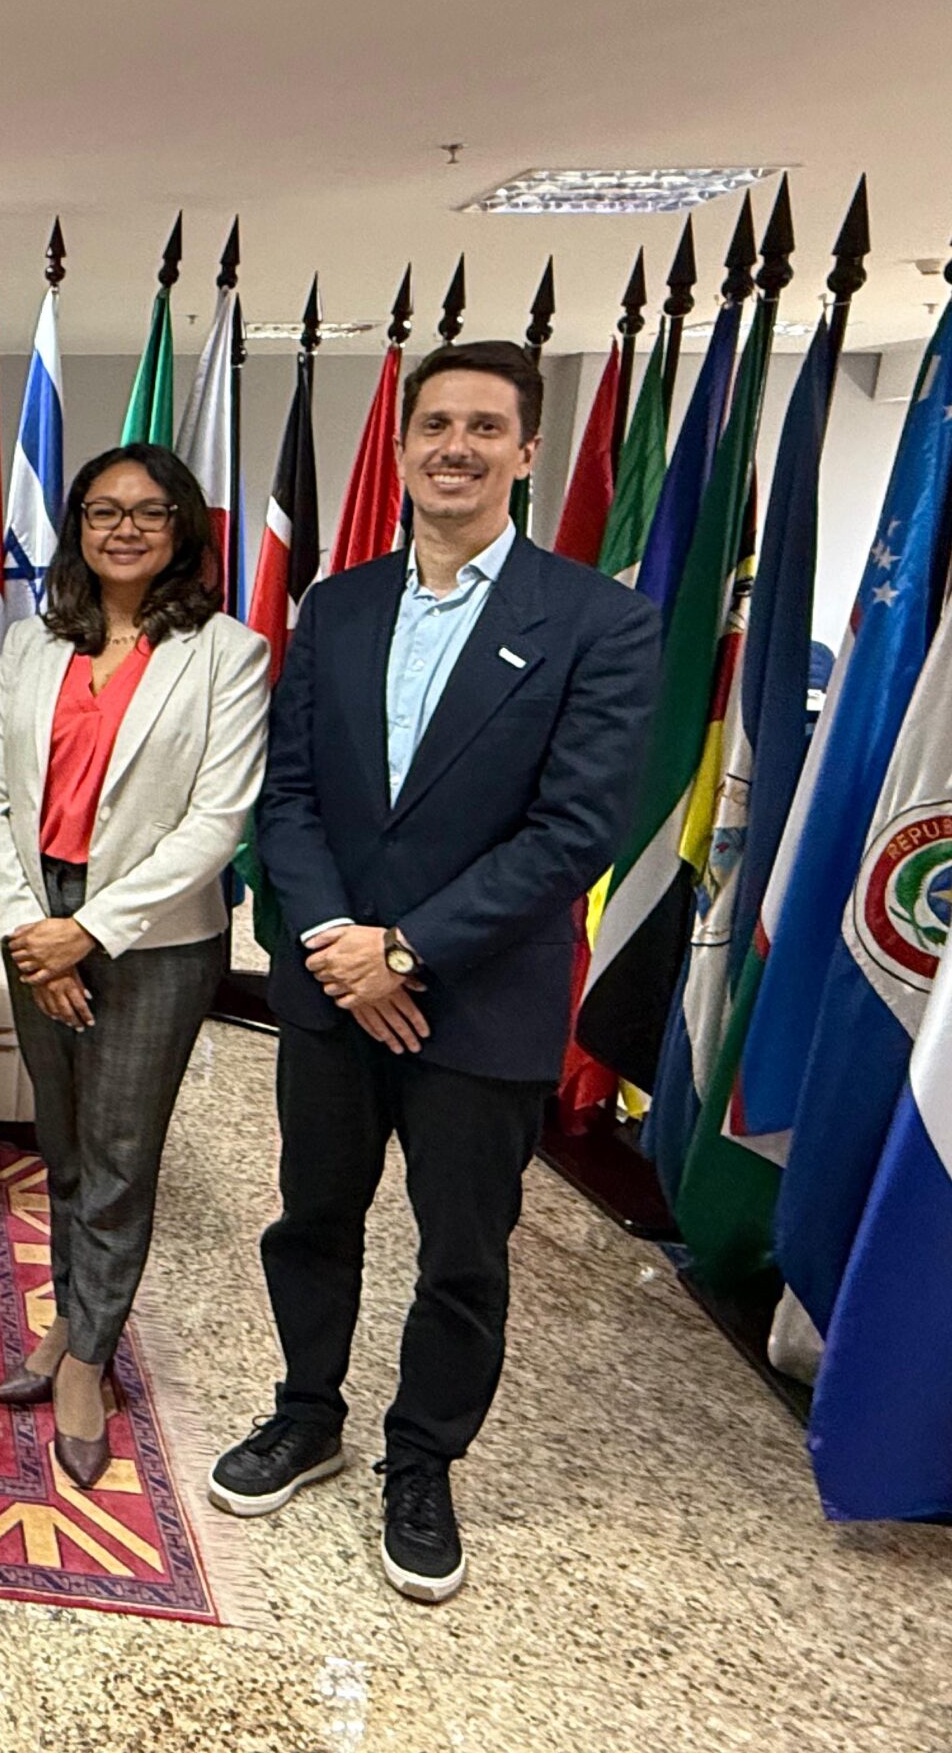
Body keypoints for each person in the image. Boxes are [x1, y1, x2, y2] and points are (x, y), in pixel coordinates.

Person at [210, 340, 658, 1605]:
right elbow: (289, 797)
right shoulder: (338, 607)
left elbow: (574, 832)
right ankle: (308, 1413)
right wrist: (338, 947)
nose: (455, 447)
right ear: (403, 446)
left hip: (481, 1002)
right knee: (312, 1218)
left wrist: (402, 951)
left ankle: (422, 1462)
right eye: (435, 426)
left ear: (526, 451)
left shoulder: (598, 622)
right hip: (330, 991)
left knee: (463, 1254)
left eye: (484, 427)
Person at [0, 443, 268, 1489]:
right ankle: (69, 1317)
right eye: (102, 511)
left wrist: (85, 932)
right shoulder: (32, 643)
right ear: (78, 529)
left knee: (120, 1154)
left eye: (147, 512)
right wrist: (29, 926)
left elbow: (217, 820)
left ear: (182, 528)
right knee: (60, 1144)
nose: (124, 529)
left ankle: (88, 1359)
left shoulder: (227, 654)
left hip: (152, 936)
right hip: (34, 916)